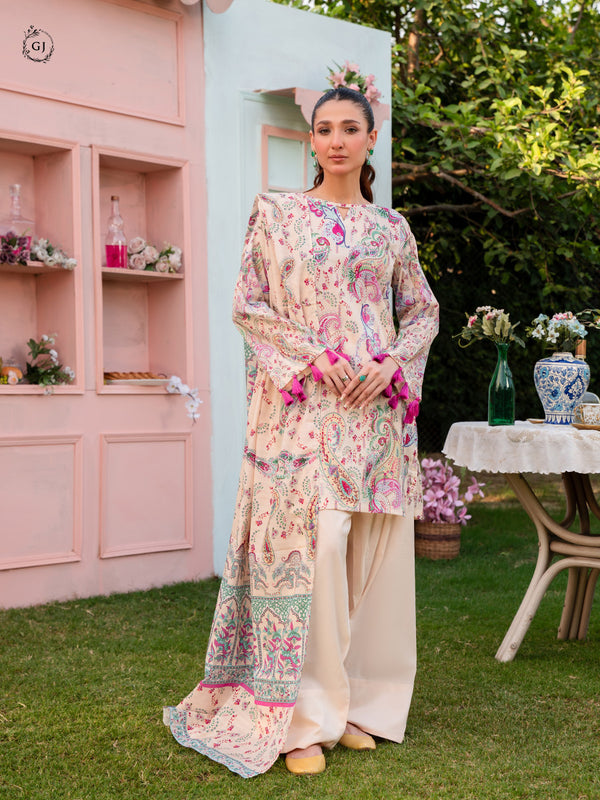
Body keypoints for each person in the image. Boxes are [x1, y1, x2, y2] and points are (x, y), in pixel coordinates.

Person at [163, 86, 439, 778]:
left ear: (371, 139)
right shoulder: (277, 213)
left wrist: (392, 364)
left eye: (350, 128)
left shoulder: (392, 229)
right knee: (316, 550)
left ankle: (360, 706)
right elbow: (248, 303)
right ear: (310, 140)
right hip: (303, 412)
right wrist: (315, 356)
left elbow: (423, 311)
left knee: (373, 556)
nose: (337, 140)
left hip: (375, 414)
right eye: (324, 129)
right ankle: (302, 718)